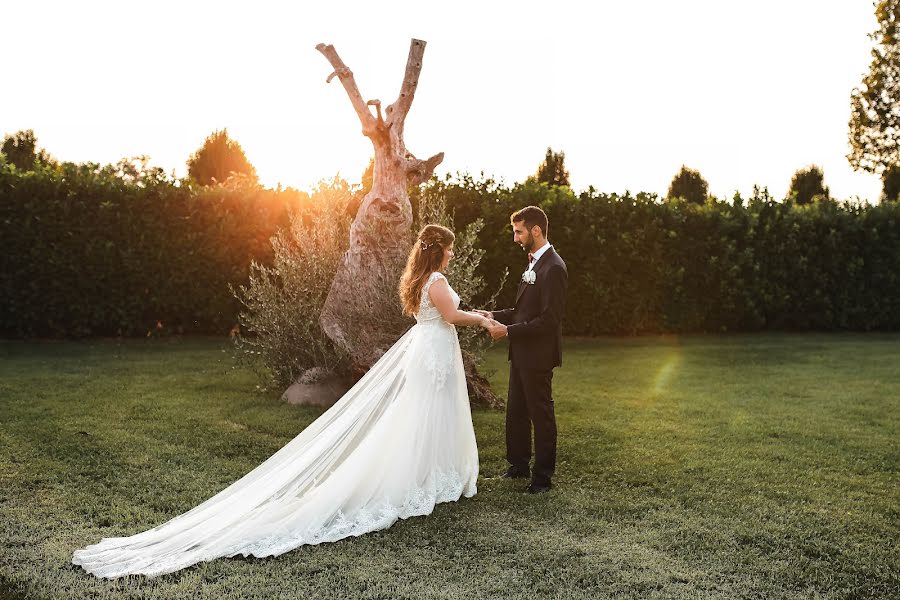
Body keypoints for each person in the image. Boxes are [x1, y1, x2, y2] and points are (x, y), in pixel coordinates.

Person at [73, 224, 492, 578]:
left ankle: (432, 474)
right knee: (427, 413)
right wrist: (485, 320)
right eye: (452, 248)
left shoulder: (423, 279)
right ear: (441, 250)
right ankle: (425, 477)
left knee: (426, 414)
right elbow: (451, 317)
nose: (454, 254)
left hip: (431, 351)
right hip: (434, 351)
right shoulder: (436, 281)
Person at [475, 206, 568, 494]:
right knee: (516, 411)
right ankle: (518, 466)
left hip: (538, 355)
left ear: (536, 230)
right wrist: (491, 315)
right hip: (522, 352)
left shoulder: (553, 267)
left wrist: (509, 332)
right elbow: (522, 310)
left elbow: (549, 320)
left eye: (519, 232)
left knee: (540, 414)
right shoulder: (532, 264)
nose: (515, 238)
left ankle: (542, 478)